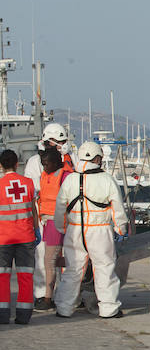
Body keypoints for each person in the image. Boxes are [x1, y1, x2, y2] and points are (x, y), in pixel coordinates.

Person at [54, 141, 128, 319]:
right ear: (97, 158)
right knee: (104, 268)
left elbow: (60, 208)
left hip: (75, 230)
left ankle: (64, 308)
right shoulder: (107, 179)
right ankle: (109, 308)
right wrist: (121, 228)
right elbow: (117, 207)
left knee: (72, 270)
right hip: (100, 230)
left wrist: (62, 228)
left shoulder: (70, 179)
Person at [23, 122, 73, 309]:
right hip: (46, 219)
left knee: (68, 258)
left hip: (68, 219)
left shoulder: (71, 159)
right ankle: (42, 294)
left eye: (63, 141)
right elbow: (34, 191)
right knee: (44, 257)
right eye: (58, 141)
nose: (62, 144)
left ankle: (65, 294)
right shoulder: (35, 163)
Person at [0, 150, 38, 325]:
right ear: (17, 164)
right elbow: (33, 209)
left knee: (2, 277)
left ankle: (2, 315)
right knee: (25, 276)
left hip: (3, 239)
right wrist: (37, 230)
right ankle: (23, 316)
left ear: (1, 166)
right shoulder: (28, 183)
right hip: (26, 237)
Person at [34, 147, 72, 311]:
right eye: (42, 164)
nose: (44, 167)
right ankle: (63, 296)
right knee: (55, 261)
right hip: (49, 223)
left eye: (47, 164)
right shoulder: (46, 175)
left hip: (61, 224)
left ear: (56, 163)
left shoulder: (66, 177)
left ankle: (49, 298)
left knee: (51, 261)